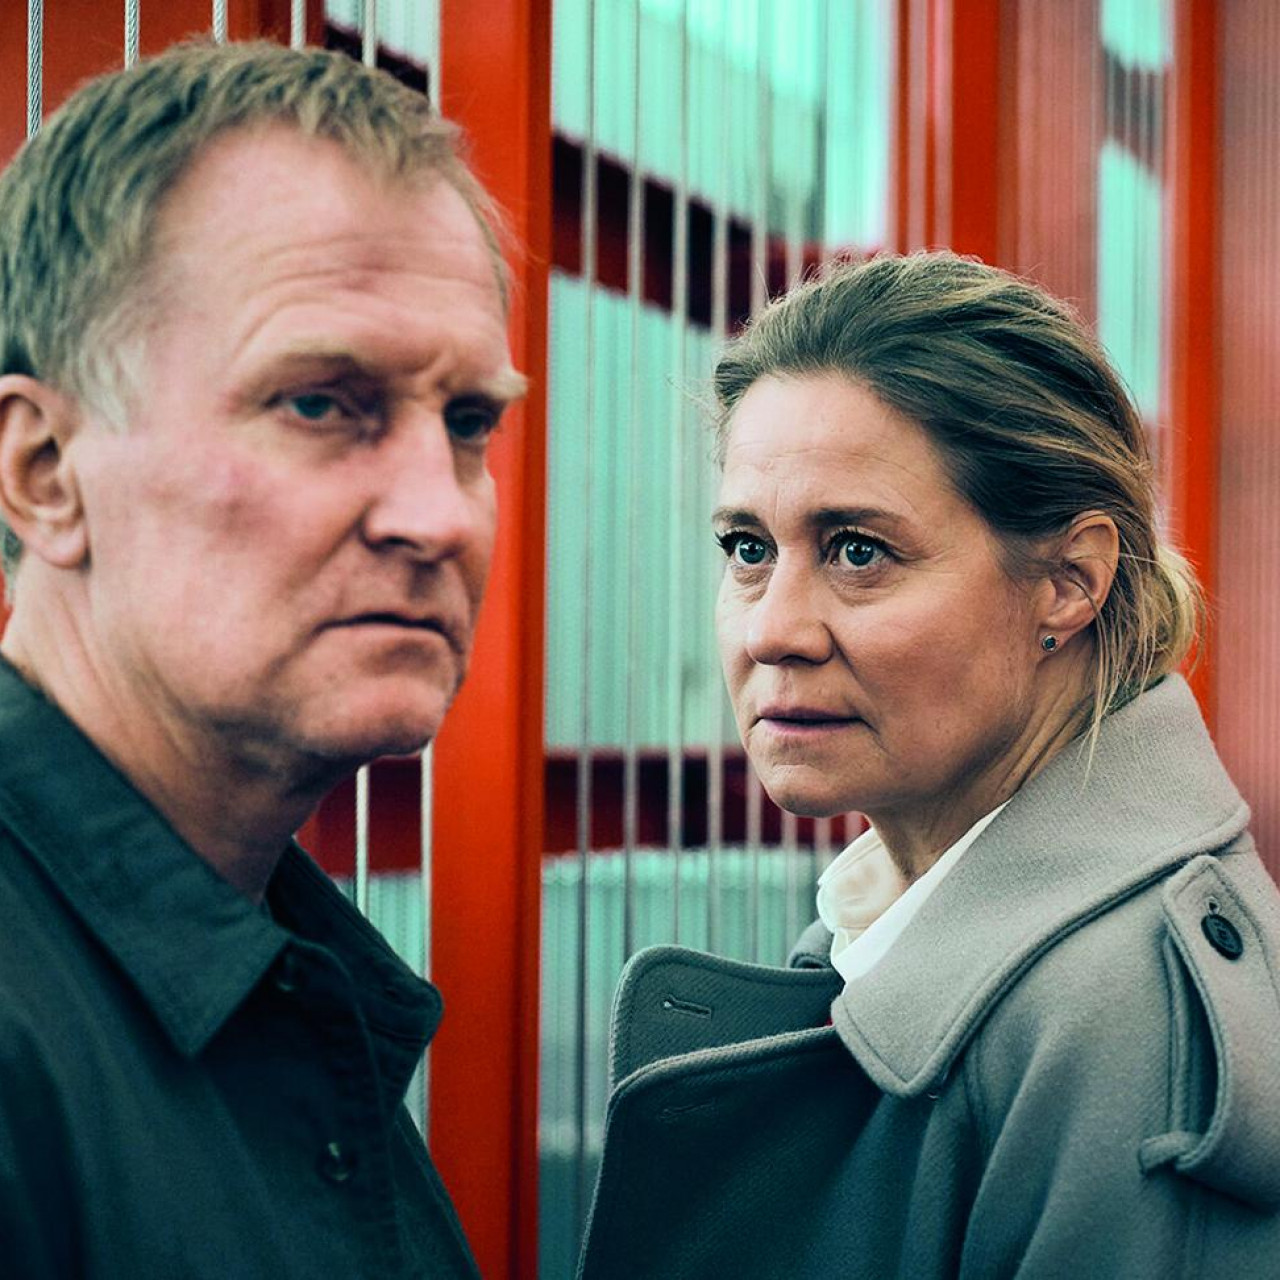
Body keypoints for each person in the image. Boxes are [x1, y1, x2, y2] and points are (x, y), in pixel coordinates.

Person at [578, 252, 1280, 1278]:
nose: (772, 630)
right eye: (747, 549)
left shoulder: (1129, 1027)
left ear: (1068, 580)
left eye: (857, 550)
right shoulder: (915, 924)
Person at [0, 40, 524, 1278]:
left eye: (467, 422)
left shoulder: (283, 969)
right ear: (46, 473)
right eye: (320, 403)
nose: (438, 515)